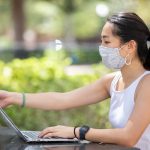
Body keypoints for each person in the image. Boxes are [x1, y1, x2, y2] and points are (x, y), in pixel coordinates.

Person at [0, 12, 150, 149]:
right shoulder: (112, 81)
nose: (101, 48)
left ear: (130, 46)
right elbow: (63, 99)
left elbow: (128, 137)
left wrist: (77, 132)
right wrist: (13, 97)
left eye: (107, 42)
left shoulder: (147, 83)